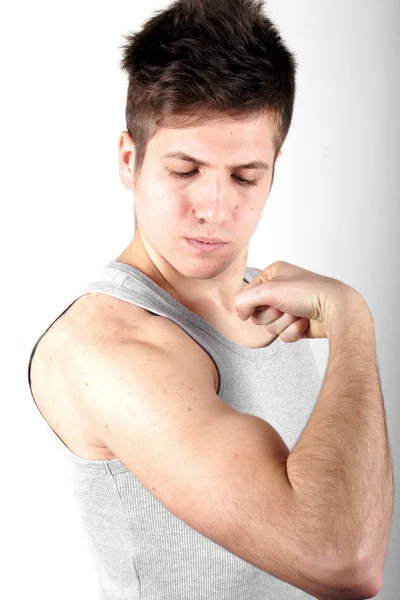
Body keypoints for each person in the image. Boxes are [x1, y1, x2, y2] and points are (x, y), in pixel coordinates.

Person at [27, 1, 391, 598]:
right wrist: (353, 320)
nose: (215, 208)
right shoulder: (106, 347)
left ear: (274, 169)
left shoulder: (269, 302)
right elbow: (341, 561)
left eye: (245, 176)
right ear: (130, 160)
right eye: (185, 170)